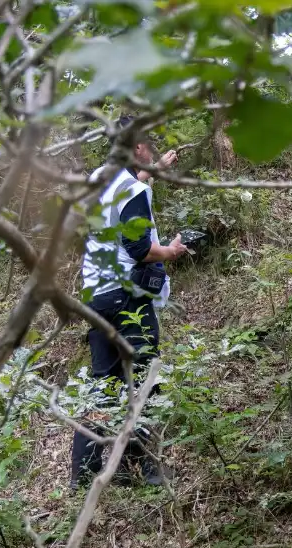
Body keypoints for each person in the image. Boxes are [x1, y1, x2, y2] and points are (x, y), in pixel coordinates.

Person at [70, 116, 186, 491]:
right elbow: (139, 248)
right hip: (127, 298)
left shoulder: (98, 180)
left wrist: (150, 174)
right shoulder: (132, 191)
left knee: (103, 384)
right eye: (148, 145)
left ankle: (83, 475)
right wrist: (170, 251)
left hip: (96, 294)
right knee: (143, 381)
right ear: (137, 148)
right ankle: (139, 468)